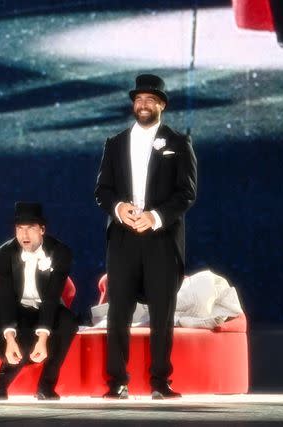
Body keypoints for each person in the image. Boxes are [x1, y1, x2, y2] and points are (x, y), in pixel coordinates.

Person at [94, 74, 197, 399]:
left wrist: (154, 217)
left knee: (162, 312)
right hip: (123, 238)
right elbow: (102, 191)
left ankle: (160, 382)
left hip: (161, 239)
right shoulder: (115, 143)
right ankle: (117, 382)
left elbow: (186, 193)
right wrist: (118, 207)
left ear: (161, 105)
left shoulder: (179, 143)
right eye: (138, 99)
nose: (143, 104)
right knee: (118, 310)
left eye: (150, 99)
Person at [0, 202, 78, 400]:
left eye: (31, 229)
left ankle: (46, 386)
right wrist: (9, 337)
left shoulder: (60, 253)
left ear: (42, 230)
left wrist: (43, 338)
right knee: (22, 344)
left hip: (45, 308)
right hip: (12, 310)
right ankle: (2, 380)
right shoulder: (4, 254)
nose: (24, 235)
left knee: (68, 322)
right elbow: (6, 298)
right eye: (20, 229)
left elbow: (52, 298)